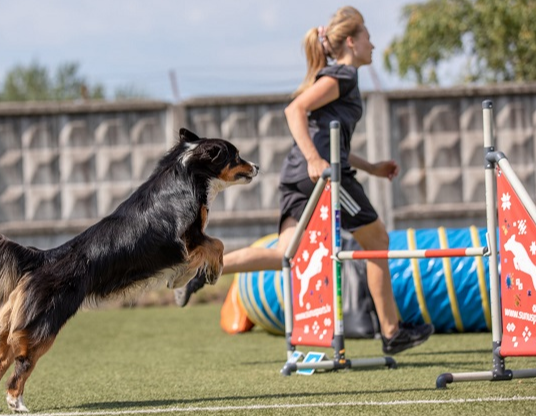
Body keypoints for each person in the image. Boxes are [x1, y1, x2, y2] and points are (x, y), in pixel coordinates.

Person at [175, 6, 433, 355]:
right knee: (377, 238)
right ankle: (391, 332)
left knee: (286, 253)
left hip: (300, 175)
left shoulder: (339, 76)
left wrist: (371, 167)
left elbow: (330, 141)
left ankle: (198, 271)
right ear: (353, 42)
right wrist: (315, 159)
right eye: (369, 38)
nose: (373, 45)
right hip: (323, 177)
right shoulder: (342, 76)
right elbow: (294, 111)